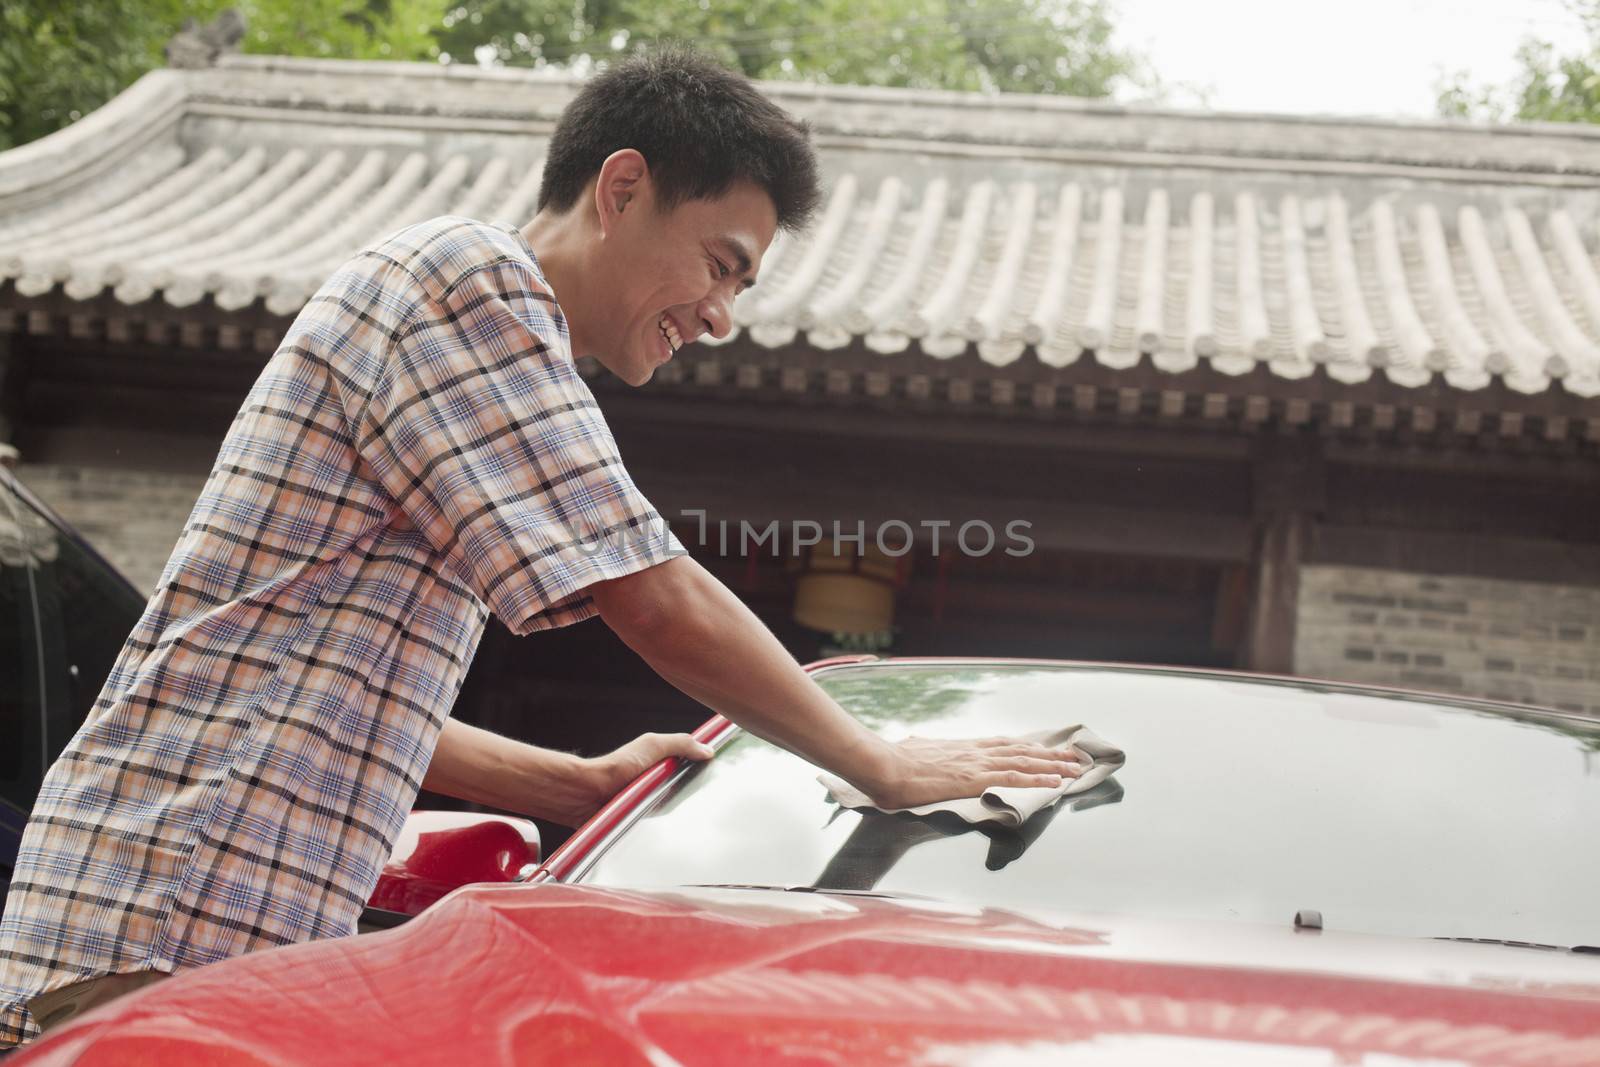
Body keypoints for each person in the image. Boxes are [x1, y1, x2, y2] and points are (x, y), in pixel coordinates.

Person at [0, 44, 1080, 1047]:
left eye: (739, 287)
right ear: (621, 190)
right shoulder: (467, 282)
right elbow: (651, 592)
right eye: (718, 262)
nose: (717, 316)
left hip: (176, 931)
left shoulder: (457, 336)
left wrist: (573, 783)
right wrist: (880, 761)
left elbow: (347, 703)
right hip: (164, 928)